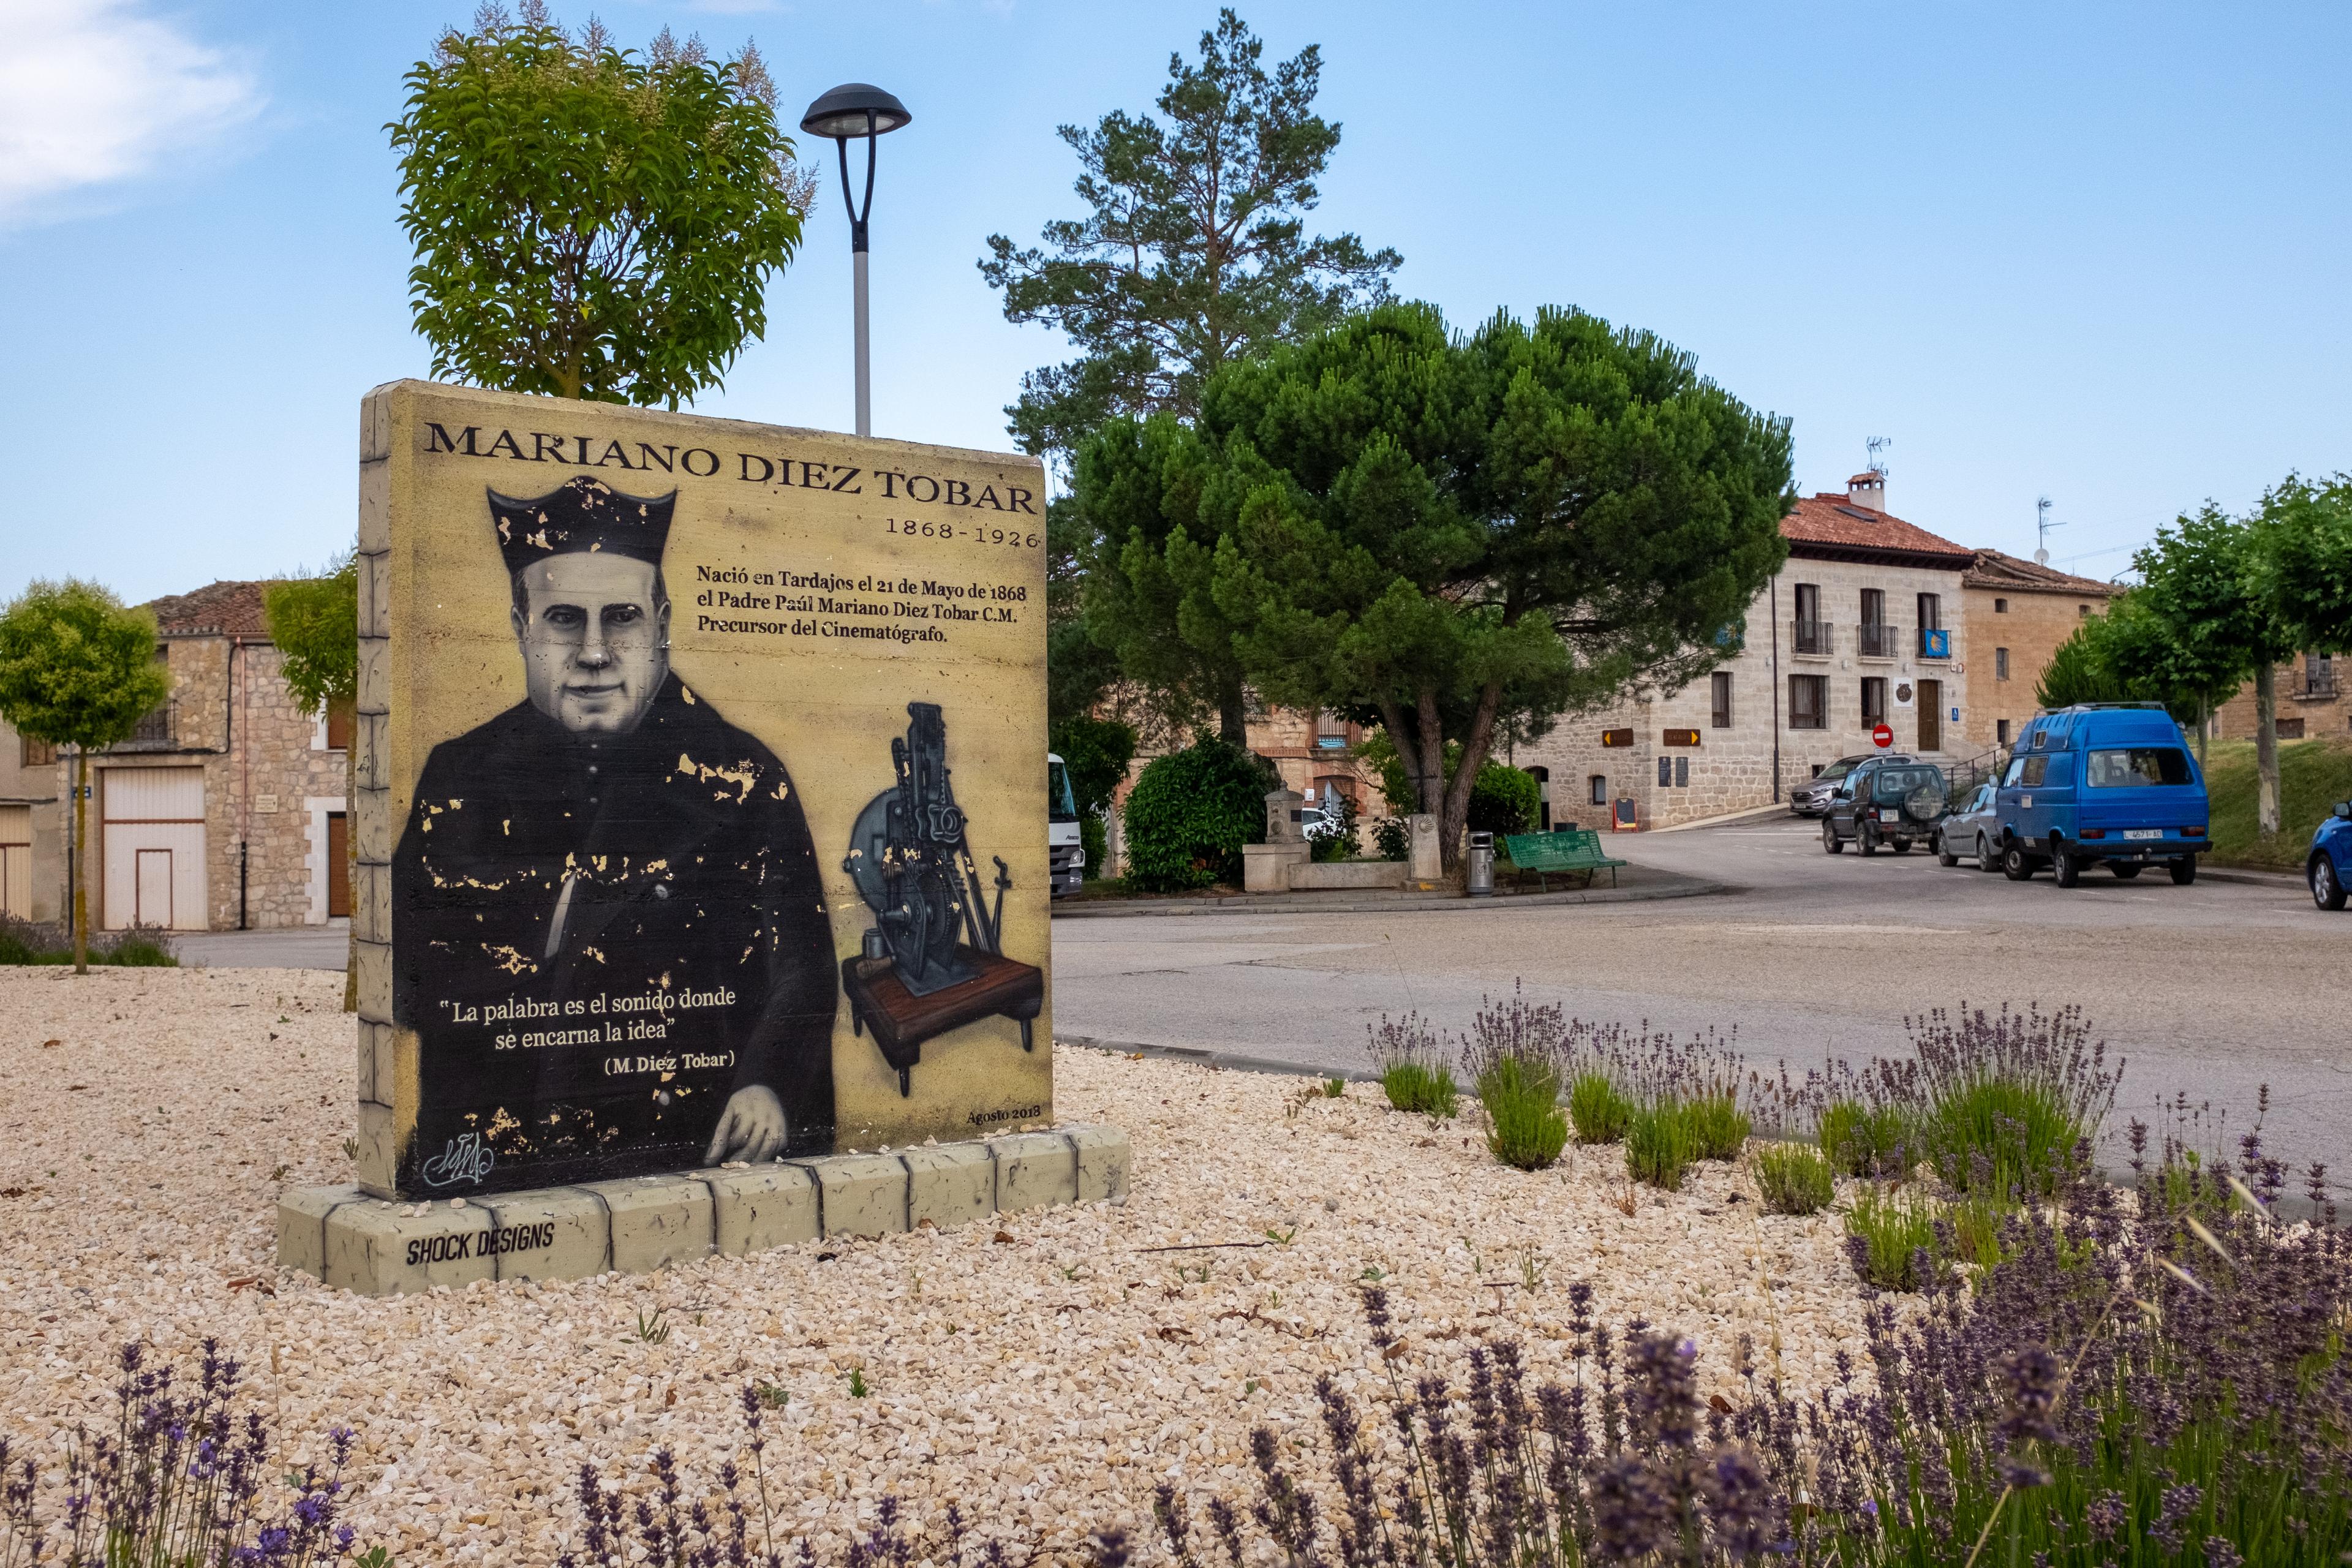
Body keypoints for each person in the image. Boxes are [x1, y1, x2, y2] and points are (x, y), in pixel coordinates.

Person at [391, 475, 837, 1195]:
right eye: (565, 618)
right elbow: (407, 965)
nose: (595, 652)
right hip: (495, 1146)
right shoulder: (460, 777)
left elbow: (806, 966)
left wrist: (767, 1086)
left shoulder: (743, 778)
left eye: (621, 618)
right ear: (521, 626)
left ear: (661, 625)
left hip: (676, 1143)